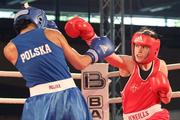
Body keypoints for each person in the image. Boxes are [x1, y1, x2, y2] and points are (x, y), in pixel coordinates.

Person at [3, 7, 114, 120]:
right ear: (39, 19)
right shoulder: (52, 34)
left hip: (38, 102)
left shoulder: (9, 49)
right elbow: (80, 63)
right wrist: (96, 51)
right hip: (67, 96)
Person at [65, 20, 172, 120]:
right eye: (136, 45)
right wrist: (89, 36)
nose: (138, 50)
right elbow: (107, 53)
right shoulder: (129, 63)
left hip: (155, 115)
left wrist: (165, 91)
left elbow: (167, 98)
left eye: (144, 47)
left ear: (153, 49)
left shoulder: (160, 65)